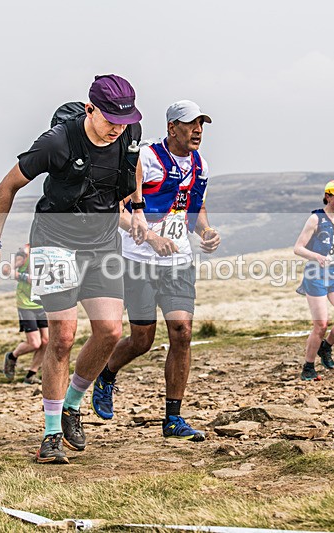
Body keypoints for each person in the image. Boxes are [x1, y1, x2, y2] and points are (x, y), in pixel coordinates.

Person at [0, 74, 142, 464]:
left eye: (123, 123)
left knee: (110, 330)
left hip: (101, 240)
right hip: (54, 241)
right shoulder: (58, 142)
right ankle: (51, 434)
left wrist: (135, 209)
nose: (116, 130)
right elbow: (7, 185)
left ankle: (72, 405)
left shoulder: (129, 131)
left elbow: (131, 169)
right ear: (90, 109)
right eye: (109, 122)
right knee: (63, 336)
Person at [90, 100, 219, 442]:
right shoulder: (145, 158)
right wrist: (149, 237)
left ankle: (173, 419)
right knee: (142, 340)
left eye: (201, 125)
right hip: (139, 261)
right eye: (190, 124)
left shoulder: (200, 164)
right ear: (171, 127)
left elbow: (195, 209)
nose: (198, 131)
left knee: (182, 332)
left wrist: (205, 232)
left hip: (178, 262)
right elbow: (116, 210)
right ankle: (106, 372)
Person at [293, 180, 334, 381]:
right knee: (321, 324)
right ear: (328, 196)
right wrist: (317, 257)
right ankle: (309, 367)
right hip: (316, 275)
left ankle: (326, 347)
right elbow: (298, 248)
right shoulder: (315, 219)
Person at [2, 244, 46, 385]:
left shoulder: (53, 252)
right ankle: (12, 356)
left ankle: (31, 375)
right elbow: (6, 270)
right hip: (26, 305)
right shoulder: (25, 253)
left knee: (47, 341)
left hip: (43, 303)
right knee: (35, 343)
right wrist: (24, 276)